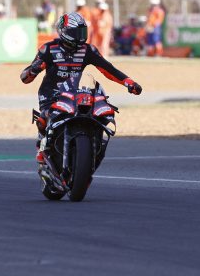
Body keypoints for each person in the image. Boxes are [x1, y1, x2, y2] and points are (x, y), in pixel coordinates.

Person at [19, 12, 142, 165]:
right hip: (50, 94)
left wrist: (129, 83)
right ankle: (41, 144)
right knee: (45, 118)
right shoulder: (48, 49)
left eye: (82, 32)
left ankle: (92, 142)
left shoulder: (88, 50)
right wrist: (33, 70)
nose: (80, 36)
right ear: (64, 31)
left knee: (94, 112)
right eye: (75, 32)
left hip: (74, 91)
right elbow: (25, 78)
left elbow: (108, 70)